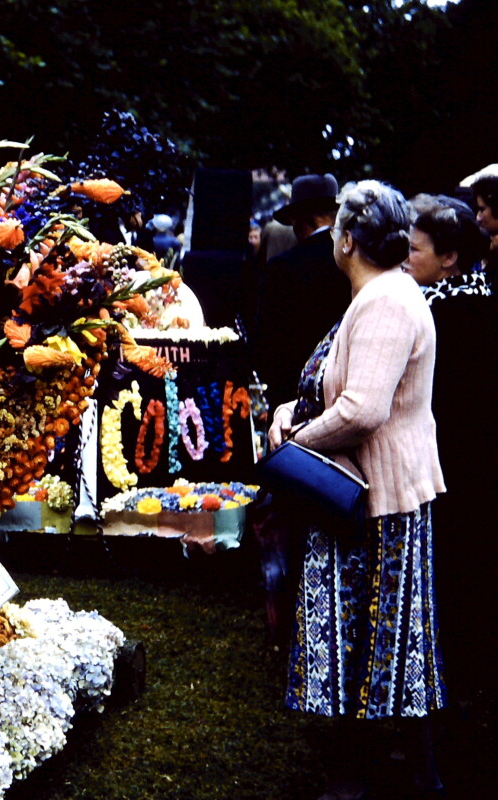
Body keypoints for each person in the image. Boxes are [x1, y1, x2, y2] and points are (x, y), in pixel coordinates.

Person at [269, 181, 446, 800]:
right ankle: (399, 768)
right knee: (384, 640)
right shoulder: (382, 292)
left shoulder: (386, 301)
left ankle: (365, 775)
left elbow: (363, 409)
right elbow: (340, 385)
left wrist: (295, 442)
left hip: (372, 497)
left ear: (346, 240)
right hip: (364, 491)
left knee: (373, 641)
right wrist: (292, 410)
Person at [404, 198, 494, 712]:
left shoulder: (433, 314)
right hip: (477, 466)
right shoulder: (483, 300)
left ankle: (443, 694)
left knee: (446, 581)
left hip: (443, 466)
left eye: (414, 250)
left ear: (449, 258)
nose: (405, 258)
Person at [254, 173, 348, 411]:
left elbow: (265, 342)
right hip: (343, 390)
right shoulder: (352, 261)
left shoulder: (282, 267)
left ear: (298, 219)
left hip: (292, 395)